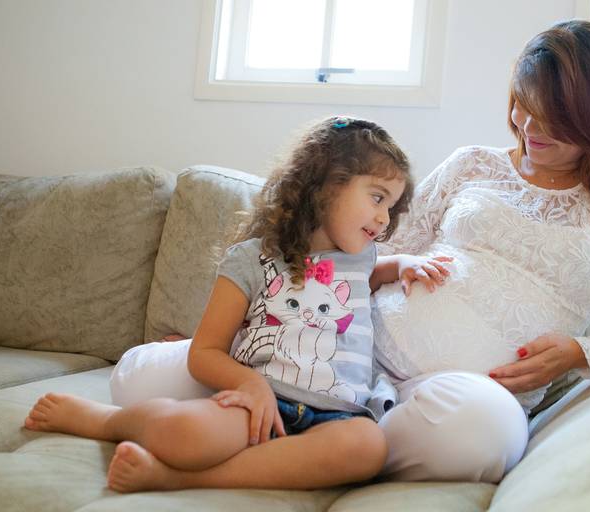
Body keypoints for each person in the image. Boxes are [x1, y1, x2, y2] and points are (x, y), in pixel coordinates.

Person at [23, 116, 452, 493]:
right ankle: (105, 421)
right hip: (260, 404)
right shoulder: (250, 259)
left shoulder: (363, 259)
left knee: (368, 447)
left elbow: (378, 270)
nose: (384, 218)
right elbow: (204, 352)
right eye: (377, 198)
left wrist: (406, 264)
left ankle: (178, 480)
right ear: (325, 184)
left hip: (339, 419)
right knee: (184, 433)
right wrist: (250, 387)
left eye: (391, 207)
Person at [369, 19, 590, 483]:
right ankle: (341, 423)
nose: (528, 127)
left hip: (469, 398)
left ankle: (342, 434)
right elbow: (372, 255)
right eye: (523, 105)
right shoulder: (472, 163)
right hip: (366, 343)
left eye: (552, 117)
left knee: (483, 436)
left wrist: (582, 353)